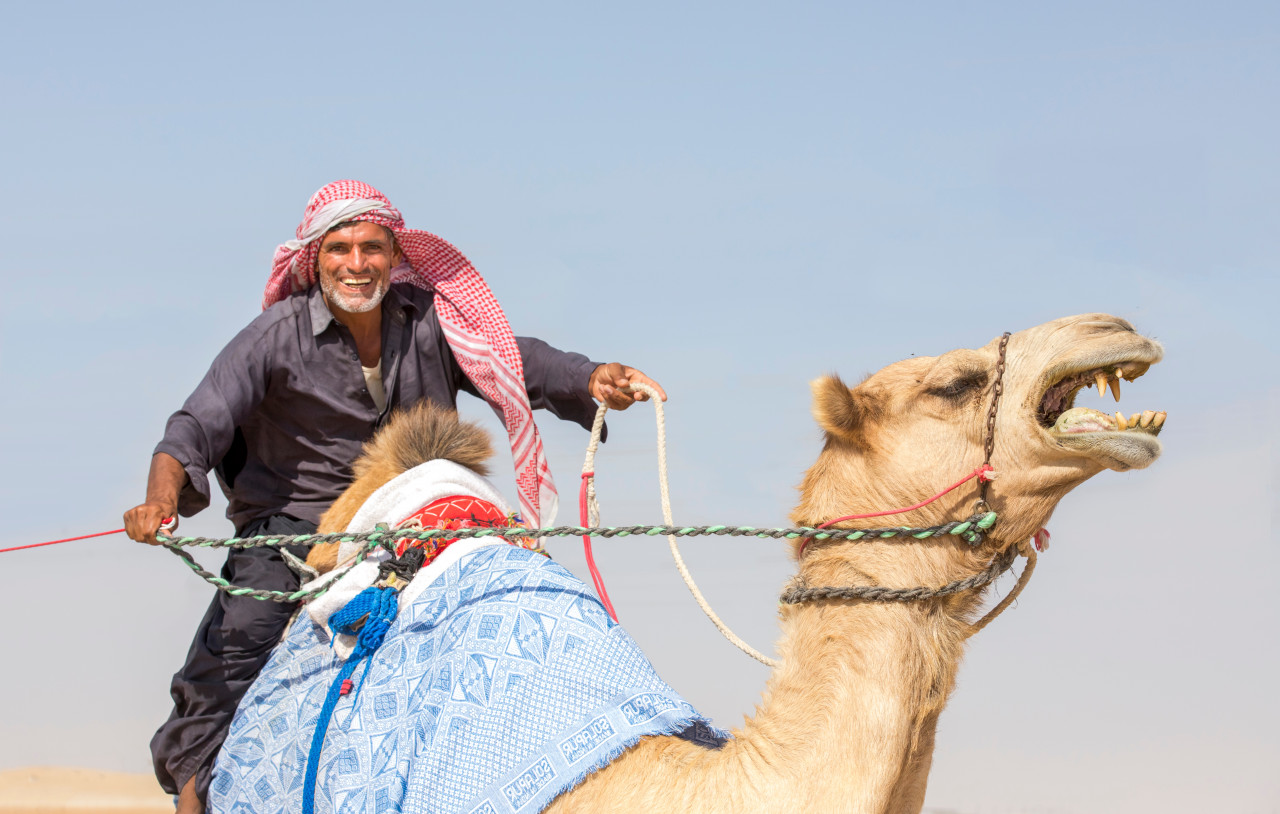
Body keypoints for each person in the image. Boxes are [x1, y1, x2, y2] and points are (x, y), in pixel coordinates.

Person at [122, 180, 664, 814]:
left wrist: (591, 377)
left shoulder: (430, 320)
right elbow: (197, 422)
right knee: (230, 656)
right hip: (302, 530)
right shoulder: (274, 336)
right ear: (315, 259)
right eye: (341, 248)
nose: (357, 264)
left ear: (393, 253)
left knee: (523, 591)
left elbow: (517, 359)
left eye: (372, 248)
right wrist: (161, 496)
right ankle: (197, 792)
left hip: (421, 510)